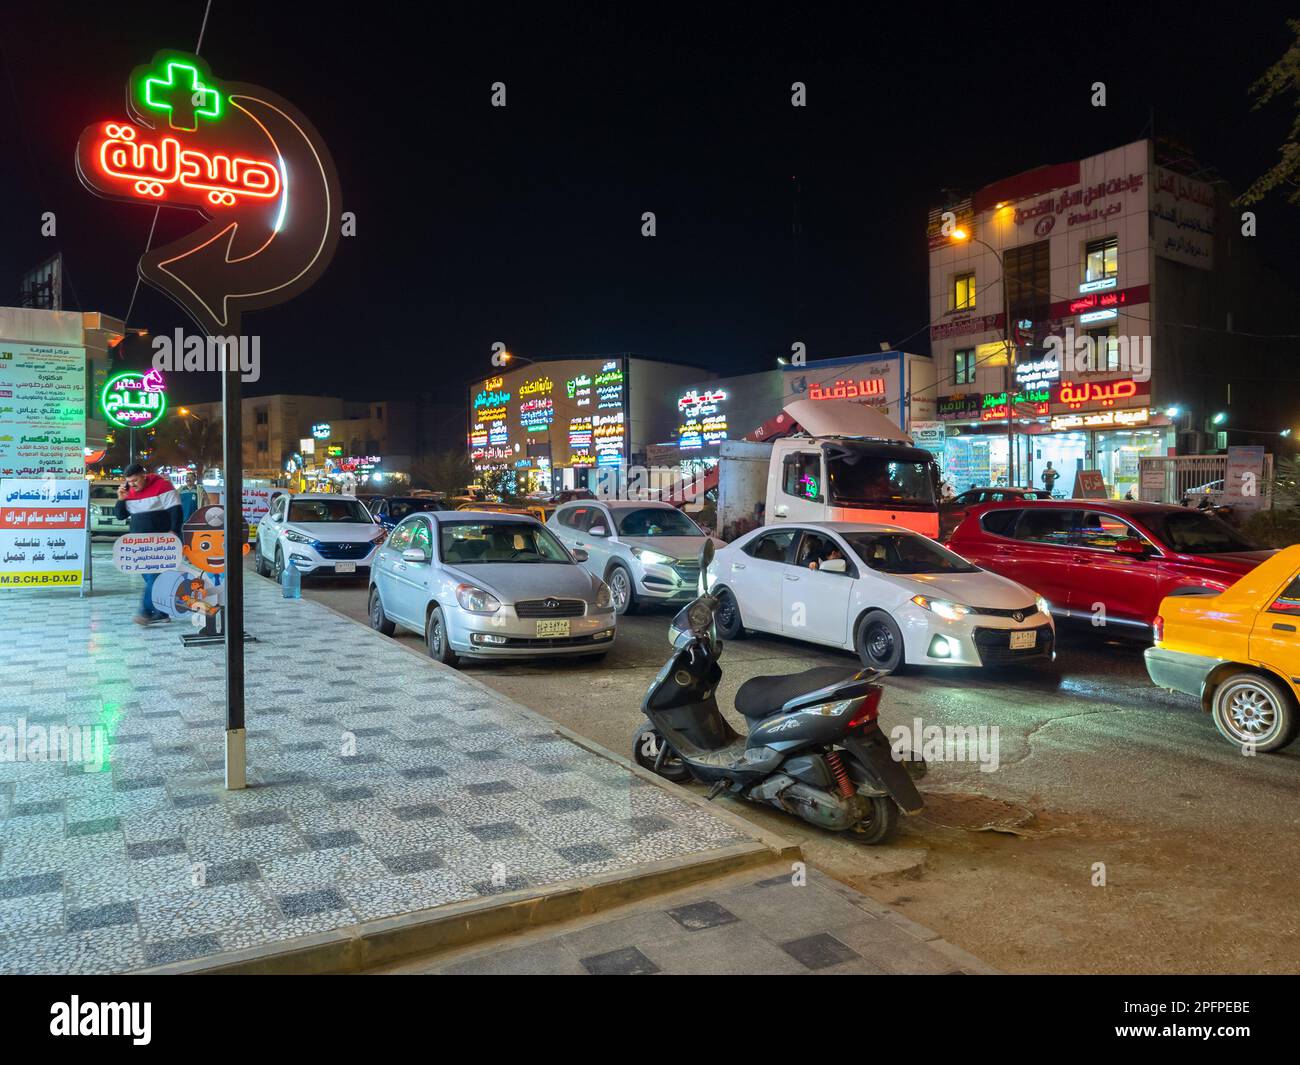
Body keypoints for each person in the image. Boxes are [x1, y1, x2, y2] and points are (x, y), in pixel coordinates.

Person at [115, 463, 183, 626]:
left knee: (154, 577)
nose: (132, 484)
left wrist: (173, 531)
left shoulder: (162, 486)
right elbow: (120, 516)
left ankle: (145, 612)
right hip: (139, 544)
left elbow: (176, 510)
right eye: (129, 481)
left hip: (161, 541)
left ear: (143, 476)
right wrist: (121, 499)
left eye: (135, 480)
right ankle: (162, 612)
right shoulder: (128, 491)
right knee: (150, 577)